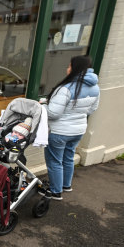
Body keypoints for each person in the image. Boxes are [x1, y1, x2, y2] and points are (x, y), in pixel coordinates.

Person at [42, 55, 100, 200]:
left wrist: (43, 106)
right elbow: (92, 109)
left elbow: (53, 113)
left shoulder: (66, 88)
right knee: (68, 157)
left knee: (55, 161)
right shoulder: (95, 87)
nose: (67, 69)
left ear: (75, 68)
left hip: (59, 131)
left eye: (69, 66)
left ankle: (55, 191)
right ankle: (65, 185)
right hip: (78, 130)